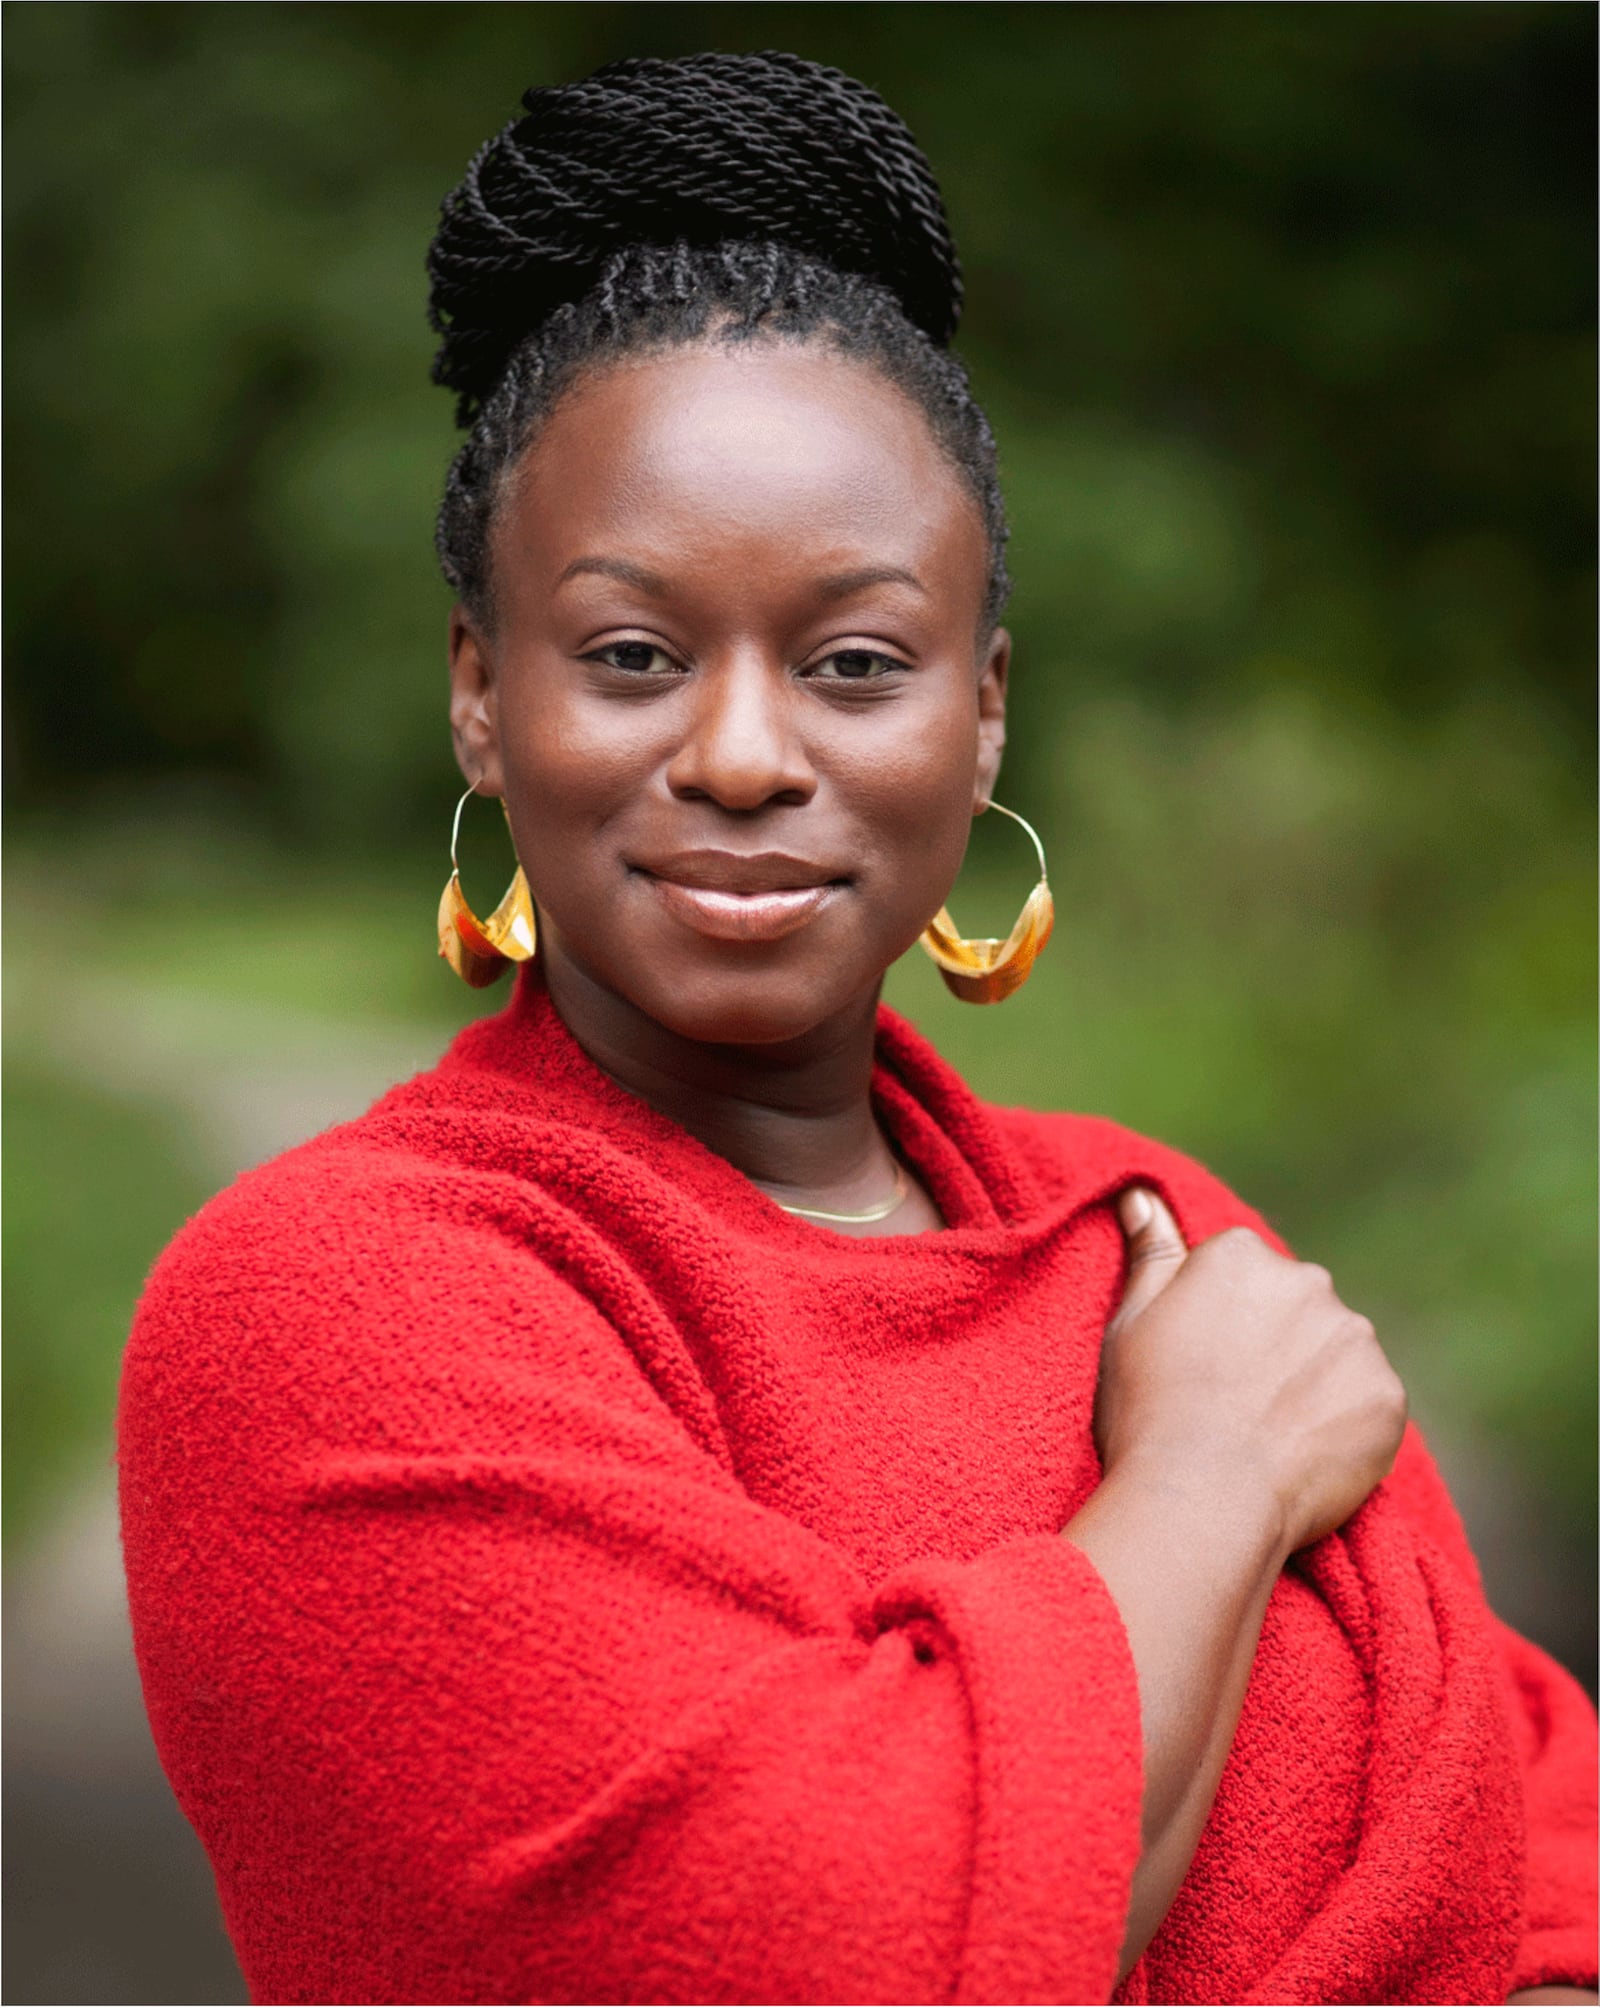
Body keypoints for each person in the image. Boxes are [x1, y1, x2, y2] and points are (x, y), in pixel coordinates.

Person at [118, 51, 1596, 2007]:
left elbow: (1533, 1867)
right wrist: (1212, 1477)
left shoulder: (1153, 1234)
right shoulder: (328, 1308)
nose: (741, 754)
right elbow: (831, 1953)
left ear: (980, 714)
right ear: (483, 691)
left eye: (854, 662)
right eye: (632, 653)